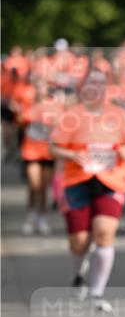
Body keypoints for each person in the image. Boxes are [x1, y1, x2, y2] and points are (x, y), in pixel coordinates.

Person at [49, 70, 125, 311]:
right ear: (83, 88)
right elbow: (53, 147)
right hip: (77, 180)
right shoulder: (72, 116)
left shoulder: (120, 115)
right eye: (91, 83)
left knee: (103, 233)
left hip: (111, 180)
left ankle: (97, 293)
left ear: (107, 88)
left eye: (101, 84)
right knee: (79, 242)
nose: (96, 88)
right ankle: (79, 272)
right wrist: (72, 154)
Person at [18, 83, 65, 235]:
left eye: (42, 89)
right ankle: (30, 216)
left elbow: (63, 126)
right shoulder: (29, 106)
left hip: (48, 152)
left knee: (44, 188)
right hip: (31, 151)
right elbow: (20, 121)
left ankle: (42, 218)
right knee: (34, 185)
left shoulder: (56, 107)